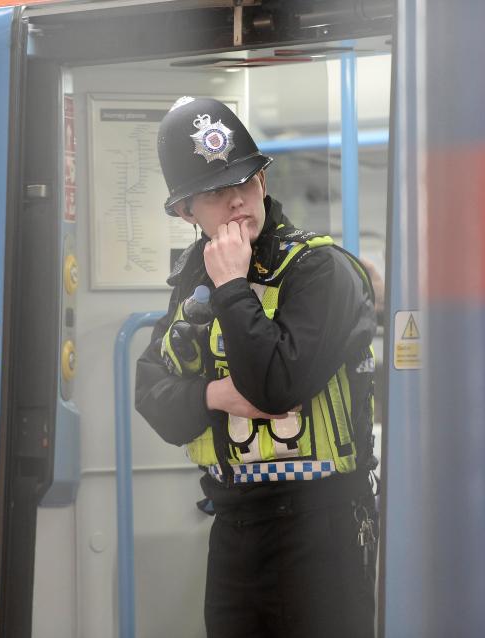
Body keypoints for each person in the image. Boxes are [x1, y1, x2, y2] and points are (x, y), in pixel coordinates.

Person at [135, 96, 379, 638]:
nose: (236, 202)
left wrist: (232, 288)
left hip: (321, 531)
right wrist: (213, 397)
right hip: (235, 528)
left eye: (245, 183)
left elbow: (274, 385)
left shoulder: (321, 271)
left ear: (264, 183)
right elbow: (151, 393)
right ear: (185, 213)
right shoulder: (194, 283)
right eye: (216, 194)